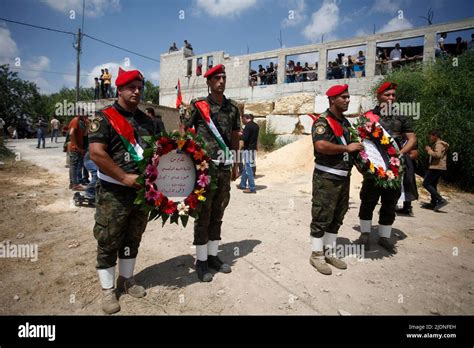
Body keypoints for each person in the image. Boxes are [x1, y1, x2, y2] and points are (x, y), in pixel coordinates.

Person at [89, 68, 157, 314]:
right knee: (109, 240)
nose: (137, 91)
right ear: (119, 89)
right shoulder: (104, 117)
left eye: (140, 87)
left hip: (140, 194)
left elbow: (157, 153)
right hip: (113, 192)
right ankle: (108, 290)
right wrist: (124, 177)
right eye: (131, 87)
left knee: (132, 237)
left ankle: (126, 279)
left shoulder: (147, 121)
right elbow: (96, 153)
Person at [183, 64, 240, 282]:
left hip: (224, 168)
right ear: (209, 82)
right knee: (203, 214)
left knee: (218, 212)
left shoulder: (233, 108)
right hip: (204, 169)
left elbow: (235, 136)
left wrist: (236, 163)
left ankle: (213, 256)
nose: (221, 81)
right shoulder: (198, 106)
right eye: (216, 78)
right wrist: (188, 158)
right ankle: (201, 261)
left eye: (223, 77)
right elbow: (185, 130)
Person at [309, 84, 363, 275]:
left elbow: (354, 147)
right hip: (326, 177)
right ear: (332, 100)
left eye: (348, 97)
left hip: (343, 177)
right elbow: (321, 145)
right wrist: (346, 149)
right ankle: (316, 254)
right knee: (322, 216)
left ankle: (329, 251)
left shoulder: (346, 123)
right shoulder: (323, 122)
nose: (348, 100)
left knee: (338, 215)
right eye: (344, 97)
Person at [357, 81, 417, 254]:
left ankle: (384, 237)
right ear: (378, 96)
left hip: (394, 167)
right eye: (387, 94)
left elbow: (412, 138)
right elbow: (360, 139)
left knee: (390, 202)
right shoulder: (369, 116)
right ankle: (365, 235)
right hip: (374, 167)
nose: (391, 98)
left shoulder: (402, 117)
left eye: (393, 95)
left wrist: (400, 154)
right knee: (368, 200)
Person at [422, 130, 449, 212]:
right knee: (433, 185)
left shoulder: (439, 144)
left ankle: (440, 200)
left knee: (426, 183)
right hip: (437, 167)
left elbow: (438, 155)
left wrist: (429, 150)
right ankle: (433, 203)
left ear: (435, 136)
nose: (430, 138)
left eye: (431, 136)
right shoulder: (439, 144)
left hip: (436, 167)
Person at [237, 114, 259, 193]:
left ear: (246, 118)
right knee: (246, 167)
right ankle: (242, 184)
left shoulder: (248, 126)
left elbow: (245, 138)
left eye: (242, 119)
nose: (242, 121)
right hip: (253, 149)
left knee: (248, 169)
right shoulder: (256, 126)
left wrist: (240, 134)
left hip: (248, 149)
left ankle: (252, 188)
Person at [67, 114, 87, 191]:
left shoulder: (81, 122)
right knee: (74, 166)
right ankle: (75, 184)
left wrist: (87, 125)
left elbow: (84, 134)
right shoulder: (75, 120)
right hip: (75, 148)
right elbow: (71, 133)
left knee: (74, 166)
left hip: (78, 148)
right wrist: (76, 146)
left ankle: (72, 184)